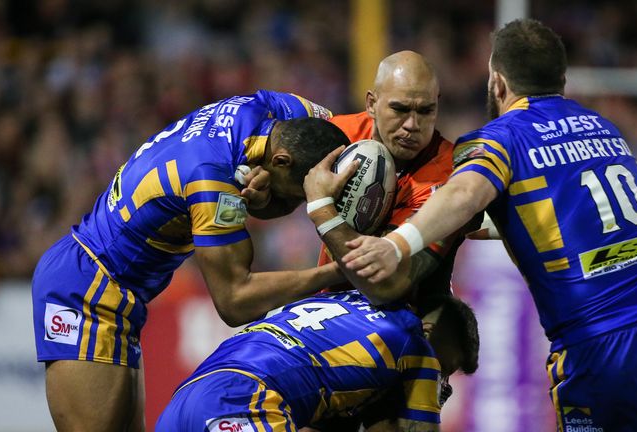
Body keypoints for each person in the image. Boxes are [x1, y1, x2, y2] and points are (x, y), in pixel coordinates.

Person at [342, 19, 637, 431]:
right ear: (562, 79)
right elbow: (554, 216)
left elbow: (465, 194)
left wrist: (396, 243)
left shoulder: (500, 138)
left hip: (598, 344)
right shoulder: (605, 128)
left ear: (497, 82)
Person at [32, 90, 354, 431]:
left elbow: (340, 131)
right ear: (282, 161)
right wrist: (337, 271)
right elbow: (235, 301)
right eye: (298, 195)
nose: (297, 205)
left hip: (120, 289)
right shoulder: (212, 179)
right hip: (86, 288)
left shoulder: (274, 108)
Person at [155, 290, 479, 431]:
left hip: (186, 399)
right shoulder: (412, 342)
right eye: (443, 368)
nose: (440, 380)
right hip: (245, 401)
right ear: (429, 330)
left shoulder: (349, 302)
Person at [300, 50, 479, 306]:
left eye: (426, 111)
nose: (412, 125)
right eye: (400, 109)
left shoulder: (448, 178)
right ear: (372, 104)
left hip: (405, 320)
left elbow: (385, 286)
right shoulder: (338, 136)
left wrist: (322, 209)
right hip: (331, 307)